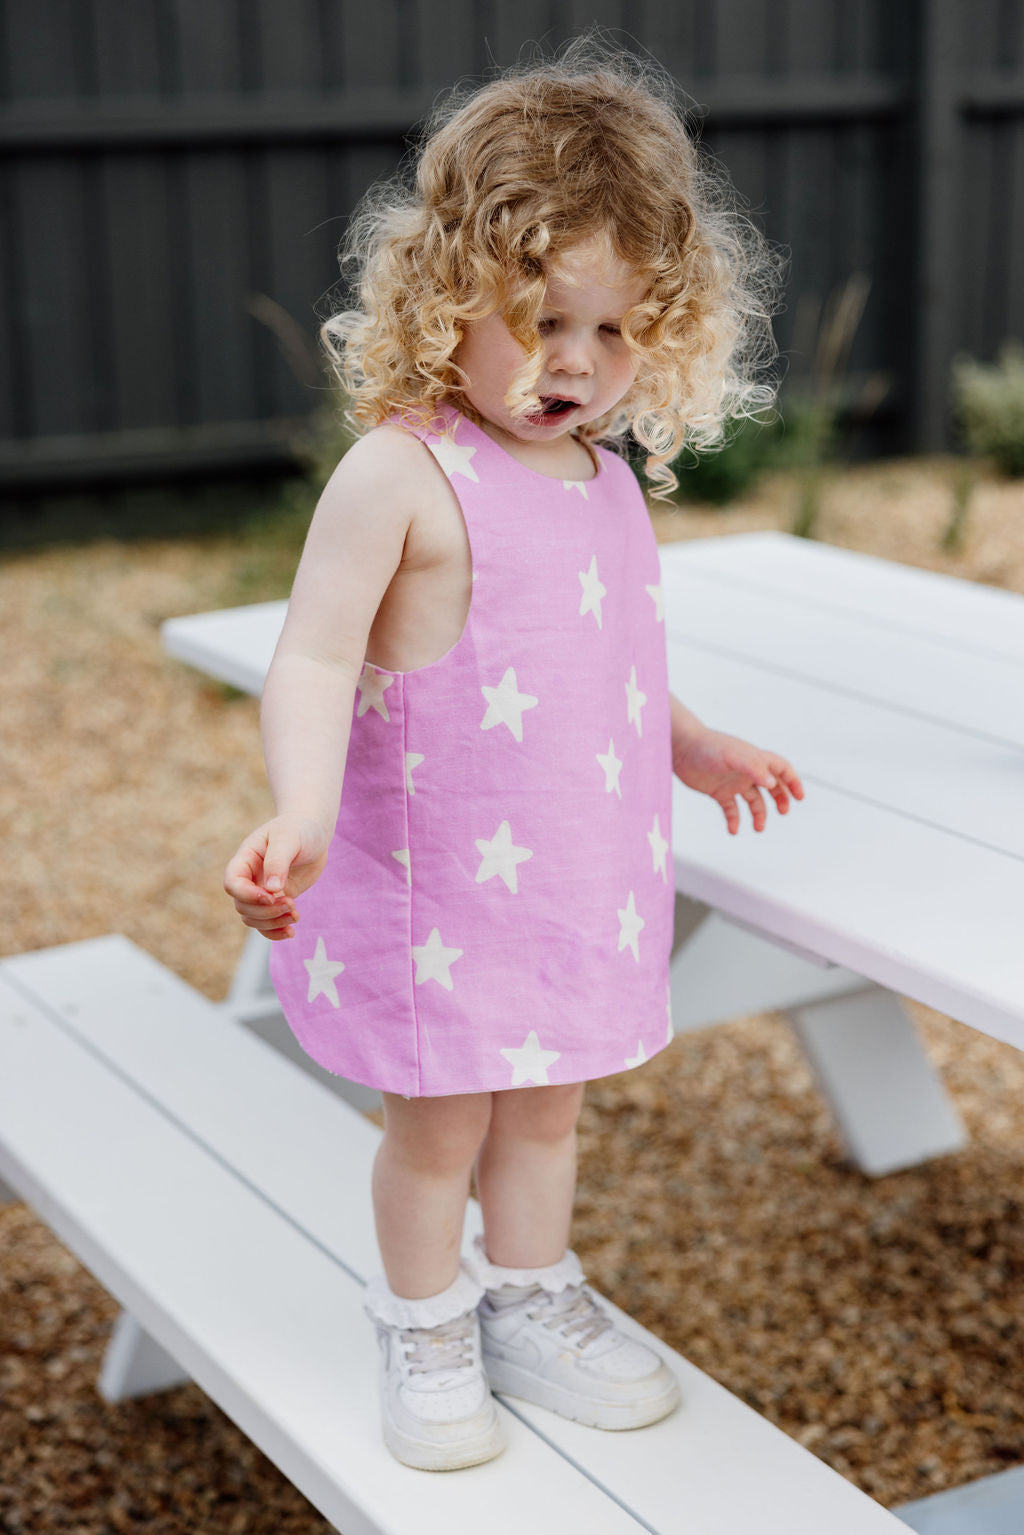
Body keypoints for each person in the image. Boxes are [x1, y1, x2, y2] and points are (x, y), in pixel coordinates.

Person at [224, 37, 803, 1473]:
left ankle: (531, 1294)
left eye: (614, 334)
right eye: (543, 321)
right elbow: (309, 655)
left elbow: (604, 659)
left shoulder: (602, 477)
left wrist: (691, 742)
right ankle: (423, 1315)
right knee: (439, 1130)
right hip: (440, 891)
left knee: (548, 1110)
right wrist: (297, 804)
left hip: (575, 880)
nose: (577, 365)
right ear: (447, 298)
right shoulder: (401, 474)